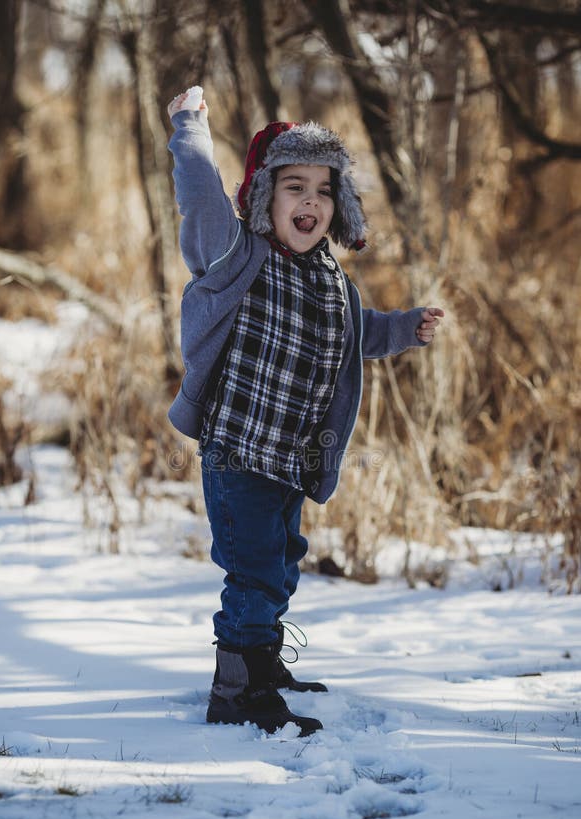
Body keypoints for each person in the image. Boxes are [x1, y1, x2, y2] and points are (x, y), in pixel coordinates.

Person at [166, 87, 444, 737]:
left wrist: (404, 328)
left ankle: (261, 664)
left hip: (289, 459)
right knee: (254, 567)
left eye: (323, 189)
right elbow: (202, 191)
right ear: (266, 197)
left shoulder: (330, 279)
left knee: (282, 561)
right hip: (237, 451)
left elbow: (357, 334)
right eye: (295, 187)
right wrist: (190, 124)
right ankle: (237, 691)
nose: (310, 202)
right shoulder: (238, 255)